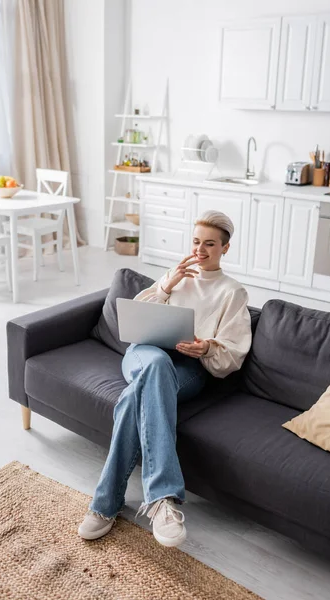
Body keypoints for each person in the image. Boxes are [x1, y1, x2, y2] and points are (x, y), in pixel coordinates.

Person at [78, 210, 252, 547]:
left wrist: (206, 347)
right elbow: (132, 316)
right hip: (144, 353)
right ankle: (162, 499)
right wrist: (166, 285)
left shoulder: (233, 293)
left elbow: (233, 355)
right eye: (197, 242)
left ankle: (105, 503)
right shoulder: (176, 274)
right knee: (155, 363)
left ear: (225, 249)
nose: (201, 250)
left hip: (188, 370)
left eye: (210, 244)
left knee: (133, 398)